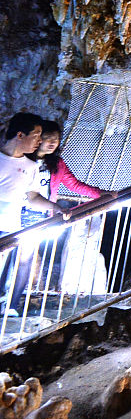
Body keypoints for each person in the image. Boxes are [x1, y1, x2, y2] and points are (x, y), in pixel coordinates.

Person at [25, 120, 111, 295]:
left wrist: (100, 194)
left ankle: (18, 294)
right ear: (38, 138)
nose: (52, 143)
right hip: (20, 210)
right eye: (48, 138)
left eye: (56, 140)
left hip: (42, 213)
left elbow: (75, 185)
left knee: (27, 256)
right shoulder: (24, 159)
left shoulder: (57, 164)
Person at [0, 114, 51, 316]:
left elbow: (32, 196)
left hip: (11, 226)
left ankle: (9, 306)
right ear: (20, 135)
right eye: (37, 135)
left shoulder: (31, 166)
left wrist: (54, 207)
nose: (40, 141)